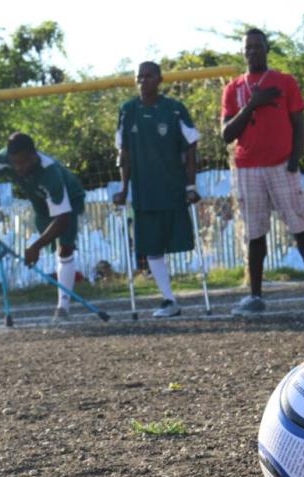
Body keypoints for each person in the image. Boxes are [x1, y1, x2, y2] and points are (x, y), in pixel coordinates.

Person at [222, 28, 304, 314]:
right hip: (248, 167)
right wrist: (252, 104)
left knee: (300, 226)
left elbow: (299, 123)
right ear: (242, 51)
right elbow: (226, 134)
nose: (252, 52)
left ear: (267, 48)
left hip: (281, 164)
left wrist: (295, 159)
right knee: (255, 233)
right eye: (247, 47)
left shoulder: (285, 81)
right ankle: (255, 296)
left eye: (257, 46)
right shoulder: (234, 88)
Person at [113, 61, 200, 318]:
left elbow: (191, 145)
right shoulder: (127, 111)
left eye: (149, 76)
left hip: (173, 188)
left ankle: (184, 292)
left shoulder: (174, 109)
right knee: (151, 246)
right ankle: (168, 298)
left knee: (179, 241)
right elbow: (123, 152)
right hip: (144, 191)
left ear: (160, 79)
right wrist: (123, 188)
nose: (143, 81)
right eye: (139, 77)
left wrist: (191, 185)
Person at [0, 132, 86, 322]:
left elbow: (62, 219)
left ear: (33, 156)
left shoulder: (50, 172)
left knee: (64, 248)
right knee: (51, 242)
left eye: (22, 162)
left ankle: (63, 307)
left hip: (69, 200)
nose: (18, 168)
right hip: (40, 203)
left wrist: (35, 247)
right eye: (14, 163)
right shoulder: (6, 157)